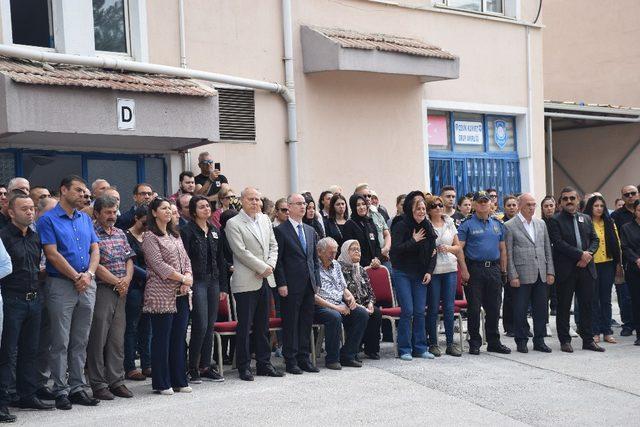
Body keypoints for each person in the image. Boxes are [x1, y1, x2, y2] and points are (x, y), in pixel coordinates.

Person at [37, 175, 101, 409]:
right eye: (78, 190)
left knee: (80, 340)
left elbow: (95, 249)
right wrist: (76, 276)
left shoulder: (85, 219)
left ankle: (77, 387)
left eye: (85, 191)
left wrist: (89, 275)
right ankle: (60, 389)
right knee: (60, 341)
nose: (83, 195)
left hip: (87, 283)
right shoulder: (48, 220)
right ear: (63, 190)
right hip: (61, 284)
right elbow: (52, 254)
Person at [225, 187, 283, 381]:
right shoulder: (233, 223)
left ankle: (264, 364)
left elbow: (274, 245)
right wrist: (261, 267)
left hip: (266, 278)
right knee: (245, 326)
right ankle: (244, 367)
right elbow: (240, 252)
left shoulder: (265, 220)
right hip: (247, 281)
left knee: (262, 325)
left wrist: (270, 266)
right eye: (251, 199)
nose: (255, 203)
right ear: (242, 201)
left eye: (258, 199)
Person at [0, 194, 47, 422]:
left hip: (34, 298)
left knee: (30, 350)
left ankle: (27, 394)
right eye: (24, 209)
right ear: (11, 212)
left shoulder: (35, 237)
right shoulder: (3, 236)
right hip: (12, 299)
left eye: (32, 208)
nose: (30, 212)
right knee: (7, 353)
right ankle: (3, 401)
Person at [142, 197, 193, 395]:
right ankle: (162, 382)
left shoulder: (175, 234)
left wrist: (186, 277)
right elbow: (158, 264)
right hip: (161, 293)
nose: (168, 212)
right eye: (163, 209)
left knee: (178, 337)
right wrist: (182, 278)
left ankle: (179, 379)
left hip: (181, 291)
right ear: (154, 213)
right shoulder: (150, 236)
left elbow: (186, 260)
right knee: (162, 338)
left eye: (169, 209)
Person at [86, 196, 135, 400]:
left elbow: (129, 259)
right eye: (107, 212)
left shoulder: (120, 233)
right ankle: (98, 383)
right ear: (96, 213)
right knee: (98, 338)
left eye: (114, 212)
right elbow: (94, 264)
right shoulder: (91, 233)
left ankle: (116, 381)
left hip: (122, 290)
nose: (112, 216)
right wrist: (117, 281)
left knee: (117, 338)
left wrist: (126, 280)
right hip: (103, 289)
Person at [547, 187, 604, 353]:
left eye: (572, 198)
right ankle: (565, 340)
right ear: (561, 203)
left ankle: (588, 340)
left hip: (586, 269)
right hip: (567, 270)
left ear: (578, 200)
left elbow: (595, 240)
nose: (569, 201)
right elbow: (558, 243)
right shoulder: (555, 221)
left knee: (587, 305)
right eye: (565, 199)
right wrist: (581, 255)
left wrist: (588, 255)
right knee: (564, 307)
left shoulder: (586, 218)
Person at [181, 195, 227, 383]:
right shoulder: (187, 231)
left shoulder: (215, 230)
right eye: (201, 207)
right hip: (197, 281)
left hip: (213, 281)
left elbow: (221, 260)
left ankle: (206, 365)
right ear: (193, 211)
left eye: (208, 206)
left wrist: (223, 286)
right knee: (200, 324)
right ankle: (192, 367)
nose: (206, 209)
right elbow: (184, 259)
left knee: (210, 324)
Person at [458, 190, 511, 355]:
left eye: (486, 201)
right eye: (479, 202)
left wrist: (504, 270)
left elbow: (502, 250)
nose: (483, 204)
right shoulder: (466, 224)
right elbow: (459, 250)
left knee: (494, 308)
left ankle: (494, 341)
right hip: (475, 270)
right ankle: (474, 342)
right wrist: (464, 270)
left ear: (491, 204)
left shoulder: (497, 224)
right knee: (474, 308)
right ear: (474, 204)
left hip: (494, 270)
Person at [273, 193, 321, 375]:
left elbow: (314, 259)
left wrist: (316, 280)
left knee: (306, 322)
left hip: (309, 284)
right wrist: (282, 283)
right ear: (290, 206)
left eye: (305, 204)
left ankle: (304, 357)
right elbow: (279, 261)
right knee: (291, 323)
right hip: (290, 285)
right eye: (299, 204)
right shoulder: (281, 230)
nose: (303, 207)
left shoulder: (309, 230)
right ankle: (291, 360)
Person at [504, 193, 555, 353]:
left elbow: (547, 248)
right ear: (520, 205)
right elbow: (509, 252)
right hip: (522, 274)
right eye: (528, 205)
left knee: (541, 309)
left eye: (533, 204)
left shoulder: (540, 224)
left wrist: (550, 271)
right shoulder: (510, 225)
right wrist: (512, 275)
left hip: (541, 272)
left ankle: (539, 340)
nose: (532, 207)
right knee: (520, 309)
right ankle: (521, 340)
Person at [390, 191, 437, 360]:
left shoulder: (427, 226)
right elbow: (395, 250)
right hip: (402, 272)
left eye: (424, 208)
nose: (422, 212)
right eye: (418, 208)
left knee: (419, 311)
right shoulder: (401, 224)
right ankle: (404, 349)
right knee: (408, 310)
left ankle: (420, 347)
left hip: (420, 273)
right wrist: (413, 241)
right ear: (411, 209)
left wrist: (429, 272)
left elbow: (433, 252)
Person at [315, 237, 369, 369]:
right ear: (319, 252)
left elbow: (343, 287)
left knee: (361, 313)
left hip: (339, 303)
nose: (333, 256)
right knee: (334, 316)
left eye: (335, 252)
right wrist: (337, 308)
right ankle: (332, 359)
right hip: (321, 306)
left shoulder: (336, 265)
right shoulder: (314, 267)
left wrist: (349, 297)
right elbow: (313, 297)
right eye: (330, 253)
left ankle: (347, 354)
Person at [425, 195, 463, 357]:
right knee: (433, 307)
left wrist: (447, 248)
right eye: (434, 206)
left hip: (450, 268)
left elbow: (458, 247)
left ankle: (450, 343)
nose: (439, 208)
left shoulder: (449, 222)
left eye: (440, 205)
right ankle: (433, 343)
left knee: (449, 307)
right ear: (428, 209)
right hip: (434, 271)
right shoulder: (425, 224)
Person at [584, 195, 620, 344]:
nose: (599, 209)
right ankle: (595, 331)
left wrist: (618, 263)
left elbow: (617, 243)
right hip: (591, 264)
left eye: (601, 206)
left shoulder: (610, 222)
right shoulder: (585, 222)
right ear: (590, 208)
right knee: (593, 299)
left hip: (608, 264)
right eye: (596, 206)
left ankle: (607, 331)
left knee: (606, 299)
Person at [338, 239, 382, 359]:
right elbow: (341, 294)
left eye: (359, 250)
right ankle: (352, 349)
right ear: (345, 252)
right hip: (348, 305)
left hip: (364, 305)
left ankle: (371, 349)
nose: (358, 252)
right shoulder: (339, 268)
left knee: (376, 312)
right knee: (360, 313)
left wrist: (371, 303)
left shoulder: (361, 269)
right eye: (353, 249)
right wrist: (360, 306)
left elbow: (370, 292)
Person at [123, 206, 152, 381]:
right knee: (131, 327)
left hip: (149, 287)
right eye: (144, 222)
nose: (147, 225)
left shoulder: (148, 236)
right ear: (136, 218)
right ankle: (130, 366)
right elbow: (130, 263)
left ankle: (147, 364)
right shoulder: (127, 236)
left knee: (146, 328)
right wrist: (150, 275)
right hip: (134, 286)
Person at [611, 184, 638, 337]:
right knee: (625, 295)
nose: (630, 197)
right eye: (626, 195)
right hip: (624, 260)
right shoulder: (616, 216)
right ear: (622, 197)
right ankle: (628, 324)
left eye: (632, 193)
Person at [619, 199, 640, 346]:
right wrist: (636, 259)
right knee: (637, 302)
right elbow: (625, 247)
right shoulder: (626, 228)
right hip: (634, 269)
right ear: (635, 211)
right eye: (639, 210)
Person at [354, 185, 391, 265]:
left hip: (383, 257)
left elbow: (387, 234)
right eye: (364, 196)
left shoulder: (377, 214)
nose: (367, 198)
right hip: (367, 260)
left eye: (369, 196)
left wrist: (386, 248)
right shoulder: (354, 220)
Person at [499, 194, 520, 337]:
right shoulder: (500, 224)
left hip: (521, 262)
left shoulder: (522, 222)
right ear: (504, 207)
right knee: (509, 296)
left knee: (522, 297)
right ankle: (509, 326)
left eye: (514, 205)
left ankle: (522, 325)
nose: (511, 208)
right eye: (509, 205)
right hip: (506, 263)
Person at [343, 194, 381, 268]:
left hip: (375, 265)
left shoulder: (370, 222)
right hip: (359, 267)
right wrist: (369, 263)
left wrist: (377, 259)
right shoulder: (349, 225)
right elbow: (351, 250)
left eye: (363, 204)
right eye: (358, 205)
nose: (362, 207)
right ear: (353, 207)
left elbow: (377, 245)